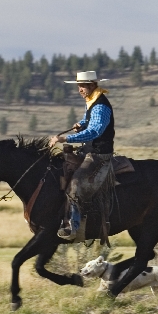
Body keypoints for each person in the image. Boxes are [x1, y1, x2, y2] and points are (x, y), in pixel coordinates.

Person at [49, 70, 115, 240]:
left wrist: (65, 138)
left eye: (83, 86)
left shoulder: (100, 106)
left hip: (99, 154)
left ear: (93, 85)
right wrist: (81, 123)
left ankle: (73, 227)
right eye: (79, 85)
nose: (80, 89)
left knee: (76, 183)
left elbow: (94, 131)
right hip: (88, 150)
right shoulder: (91, 101)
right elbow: (89, 122)